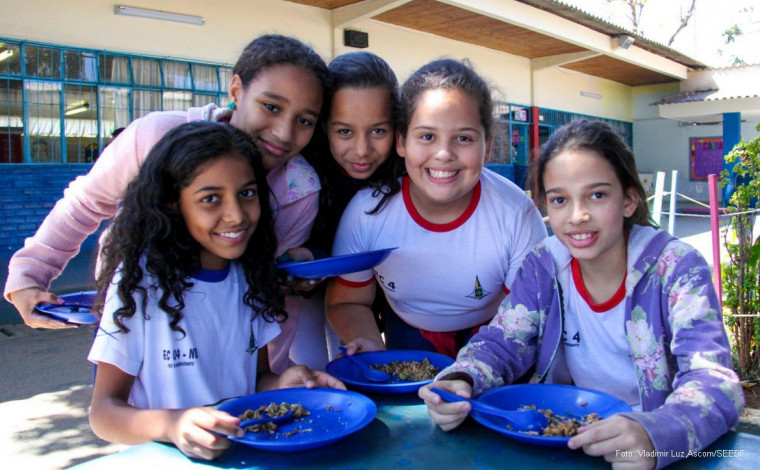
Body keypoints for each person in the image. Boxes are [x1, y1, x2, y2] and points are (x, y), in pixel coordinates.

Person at [418, 120, 743, 468]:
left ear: (629, 199)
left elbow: (714, 383)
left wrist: (656, 435)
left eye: (597, 195)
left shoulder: (676, 268)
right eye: (559, 200)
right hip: (565, 441)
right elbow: (503, 342)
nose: (577, 216)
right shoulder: (544, 265)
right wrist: (461, 379)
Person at [4, 34, 329, 373]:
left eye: (304, 120)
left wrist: (270, 374)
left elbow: (270, 293)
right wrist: (29, 274)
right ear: (236, 91)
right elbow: (85, 203)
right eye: (271, 107)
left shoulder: (299, 189)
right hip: (137, 340)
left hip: (233, 358)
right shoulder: (156, 137)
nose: (284, 132)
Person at [88, 121, 344, 461]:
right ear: (172, 203)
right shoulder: (141, 283)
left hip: (240, 457)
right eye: (210, 199)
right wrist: (172, 425)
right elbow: (103, 414)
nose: (236, 215)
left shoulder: (251, 276)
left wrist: (285, 384)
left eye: (247, 193)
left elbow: (257, 378)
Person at [326, 58, 547, 357]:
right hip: (405, 327)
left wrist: (478, 369)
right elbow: (348, 300)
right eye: (427, 136)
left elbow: (525, 316)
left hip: (497, 332)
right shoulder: (367, 212)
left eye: (463, 138)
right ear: (401, 142)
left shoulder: (516, 214)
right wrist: (370, 346)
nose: (444, 153)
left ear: (488, 146)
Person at [287, 51, 404, 364]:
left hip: (384, 291)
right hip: (309, 292)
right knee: (311, 368)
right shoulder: (300, 171)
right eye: (344, 132)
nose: (362, 150)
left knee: (373, 365)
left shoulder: (408, 170)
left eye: (378, 131)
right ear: (324, 126)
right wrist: (307, 255)